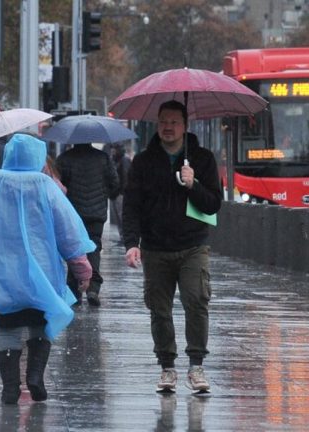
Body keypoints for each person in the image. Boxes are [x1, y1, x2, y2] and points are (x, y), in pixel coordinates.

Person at [0, 133, 95, 405]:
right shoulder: (47, 186)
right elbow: (68, 231)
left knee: (8, 328)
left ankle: (10, 386)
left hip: (1, 274)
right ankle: (35, 376)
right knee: (40, 323)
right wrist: (82, 268)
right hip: (41, 273)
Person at [122, 100, 223, 393]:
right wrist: (132, 243)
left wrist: (194, 185)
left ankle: (196, 365)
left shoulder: (202, 159)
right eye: (163, 121)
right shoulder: (143, 162)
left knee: (196, 301)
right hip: (155, 248)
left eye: (174, 122)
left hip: (193, 245)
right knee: (160, 310)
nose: (168, 127)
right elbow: (132, 206)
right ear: (157, 124)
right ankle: (167, 366)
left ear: (185, 126)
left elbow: (214, 203)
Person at [56, 141, 120, 307]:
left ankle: (74, 291)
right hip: (96, 214)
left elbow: (58, 185)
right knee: (94, 248)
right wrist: (103, 194)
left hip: (73, 214)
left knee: (74, 249)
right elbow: (115, 183)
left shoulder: (64, 159)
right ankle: (93, 288)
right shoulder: (103, 158)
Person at [109, 142, 132, 243]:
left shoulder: (124, 160)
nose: (112, 151)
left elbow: (126, 177)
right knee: (118, 217)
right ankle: (122, 235)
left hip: (120, 193)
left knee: (121, 215)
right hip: (115, 193)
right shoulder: (114, 160)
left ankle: (125, 236)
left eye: (113, 149)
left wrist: (122, 192)